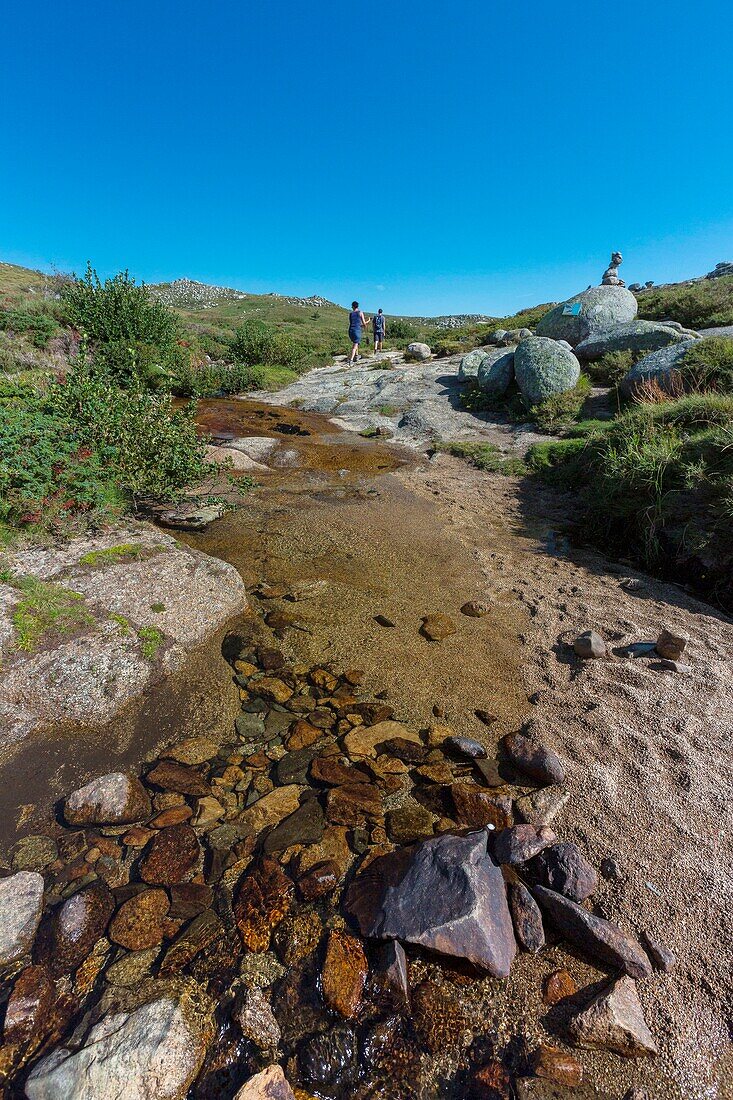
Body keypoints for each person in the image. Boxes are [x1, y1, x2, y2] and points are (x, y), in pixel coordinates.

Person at [347, 301, 368, 365]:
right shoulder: (360, 312)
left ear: (353, 306)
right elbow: (363, 323)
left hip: (350, 330)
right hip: (357, 330)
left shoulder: (350, 314)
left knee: (355, 343)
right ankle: (351, 360)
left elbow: (352, 323)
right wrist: (366, 324)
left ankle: (356, 356)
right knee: (355, 345)